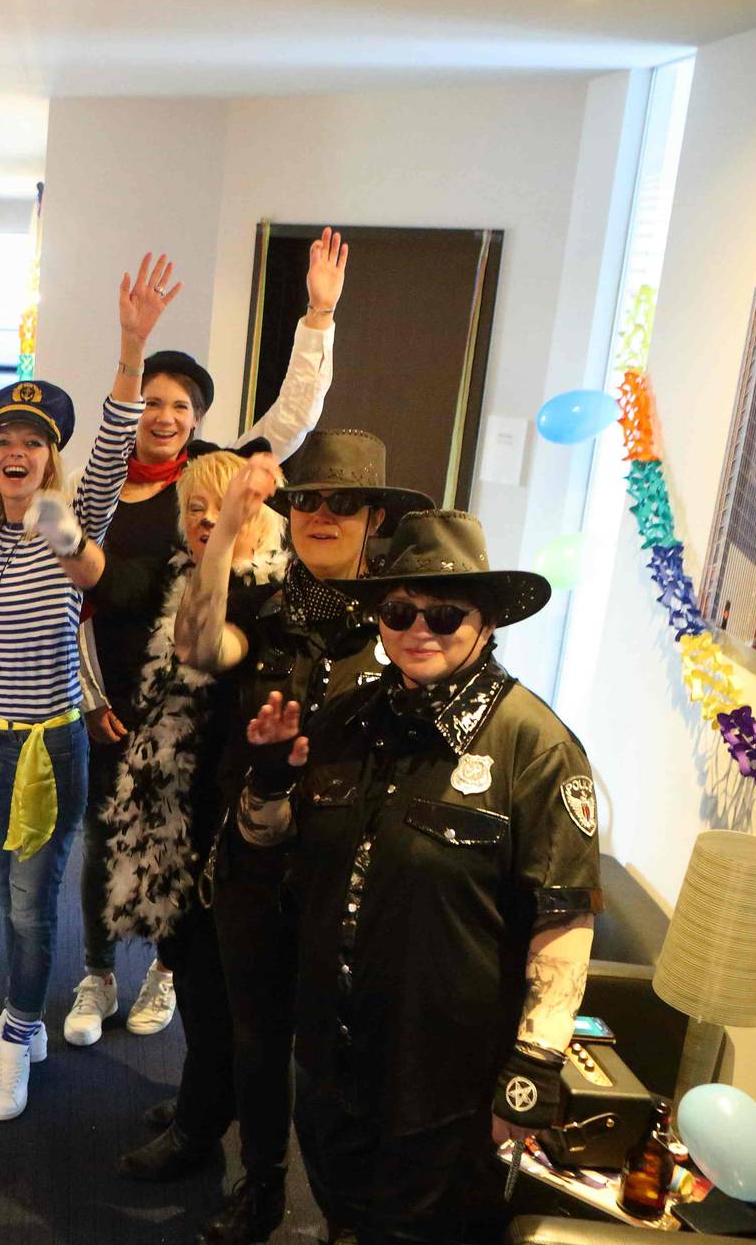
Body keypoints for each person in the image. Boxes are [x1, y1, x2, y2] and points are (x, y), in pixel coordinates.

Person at [238, 509, 599, 1244]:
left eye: (445, 613)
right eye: (400, 611)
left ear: (487, 622)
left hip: (444, 1078)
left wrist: (533, 1064)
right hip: (333, 1049)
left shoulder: (536, 747)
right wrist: (269, 779)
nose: (419, 629)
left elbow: (563, 916)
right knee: (342, 1208)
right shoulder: (344, 719)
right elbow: (270, 848)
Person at [141, 432, 429, 1243]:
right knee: (255, 1037)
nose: (323, 515)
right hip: (253, 865)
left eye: (344, 503)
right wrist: (227, 529)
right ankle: (262, 1186)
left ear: (375, 517)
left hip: (356, 878)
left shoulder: (404, 622)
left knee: (339, 1052)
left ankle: (344, 1207)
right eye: (308, 501)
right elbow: (198, 645)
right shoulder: (263, 607)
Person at [72, 229, 348, 1049]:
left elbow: (292, 417)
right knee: (102, 837)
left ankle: (165, 968)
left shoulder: (214, 478)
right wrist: (88, 697)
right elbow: (74, 603)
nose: (163, 416)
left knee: (183, 842)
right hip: (111, 698)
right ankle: (96, 971)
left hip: (191, 697)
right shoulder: (99, 484)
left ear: (197, 421)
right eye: (152, 402)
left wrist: (318, 319)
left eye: (180, 407)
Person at [0, 253, 167, 1121]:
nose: (17, 452)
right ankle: (22, 1020)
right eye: (4, 440)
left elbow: (111, 444)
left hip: (49, 746)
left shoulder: (68, 520)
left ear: (49, 458)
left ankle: (18, 1039)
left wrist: (131, 348)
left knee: (32, 910)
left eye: (33, 442)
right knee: (5, 896)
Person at [99, 449, 286, 1193]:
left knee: (213, 985)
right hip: (183, 809)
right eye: (196, 510)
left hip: (230, 819)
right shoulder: (190, 575)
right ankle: (199, 1101)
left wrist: (226, 535)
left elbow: (202, 647)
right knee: (192, 966)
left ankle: (199, 1131)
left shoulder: (269, 593)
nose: (209, 520)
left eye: (227, 507)